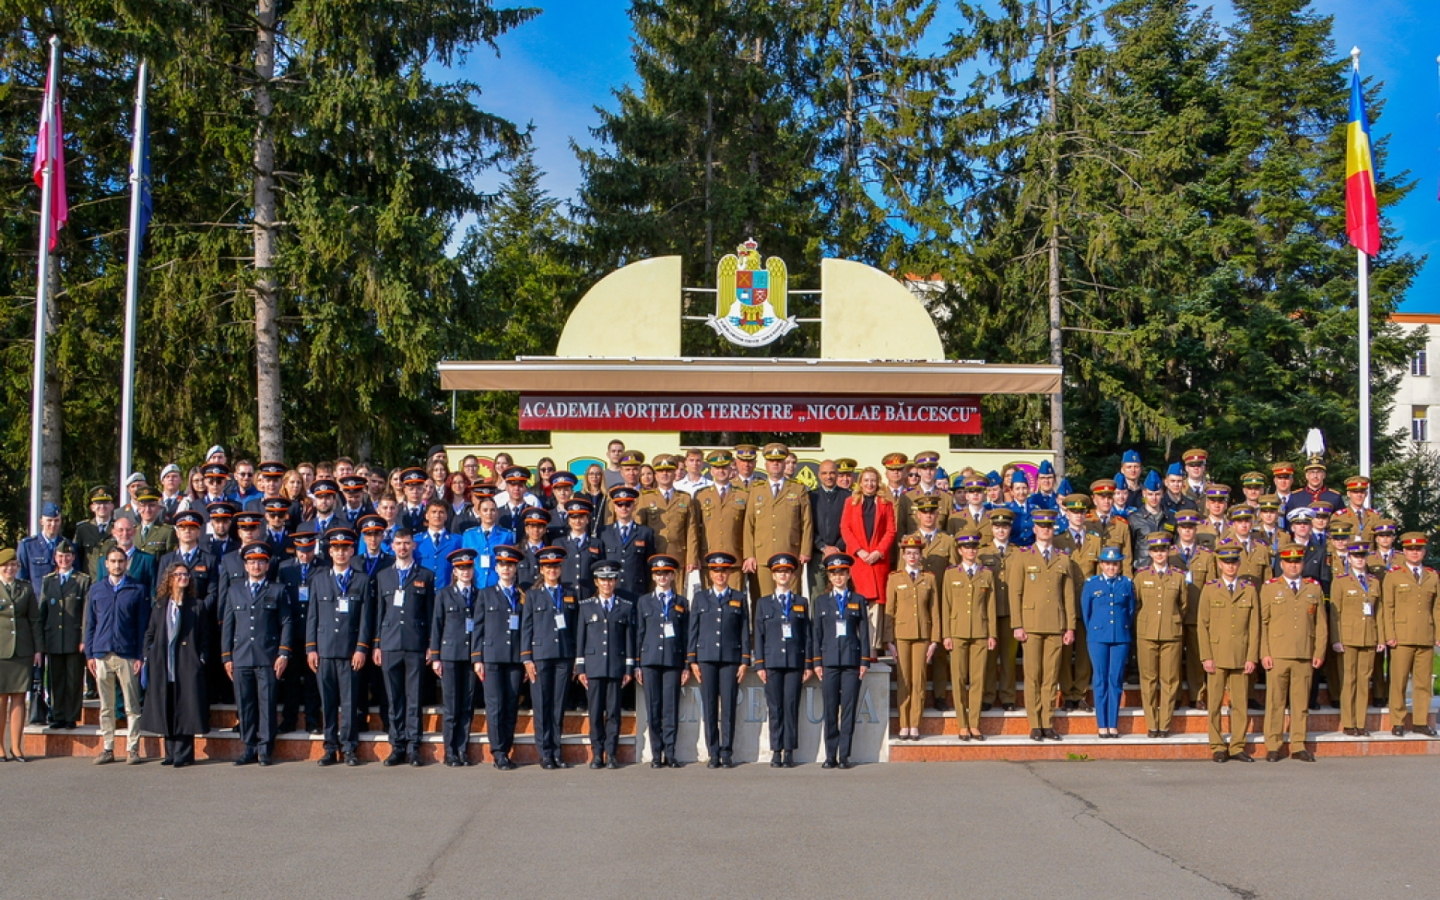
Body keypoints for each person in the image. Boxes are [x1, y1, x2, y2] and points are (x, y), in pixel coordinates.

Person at [305, 528, 374, 767]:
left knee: (350, 702)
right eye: (336, 549)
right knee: (328, 703)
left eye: (345, 549)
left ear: (352, 551)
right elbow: (312, 616)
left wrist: (361, 648)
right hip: (324, 651)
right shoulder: (319, 580)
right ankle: (330, 747)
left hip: (350, 652)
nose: (341, 553)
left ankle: (349, 748)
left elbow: (366, 618)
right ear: (330, 552)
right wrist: (311, 648)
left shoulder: (362, 580)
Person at [222, 544, 293, 766]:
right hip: (241, 656)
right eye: (252, 562)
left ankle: (265, 748)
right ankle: (248, 747)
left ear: (267, 565)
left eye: (261, 562)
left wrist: (283, 653)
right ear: (245, 565)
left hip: (267, 657)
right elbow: (228, 625)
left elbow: (286, 622)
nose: (256, 566)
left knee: (267, 704)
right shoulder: (234, 591)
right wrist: (226, 657)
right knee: (245, 704)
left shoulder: (277, 590)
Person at [1010, 508, 1076, 741]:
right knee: (1033, 676)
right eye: (1042, 526)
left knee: (1051, 676)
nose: (1046, 530)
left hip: (1055, 624)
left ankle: (1048, 722)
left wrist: (1070, 626)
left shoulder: (1063, 558)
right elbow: (1015, 592)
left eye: (1049, 526)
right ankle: (1035, 723)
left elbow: (1068, 595)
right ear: (1035, 529)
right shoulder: (1023, 556)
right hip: (1031, 624)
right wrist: (1017, 624)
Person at [1260, 544, 1328, 762]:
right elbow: (1263, 623)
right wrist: (1264, 652)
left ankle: (1298, 744)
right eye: (1289, 562)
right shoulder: (1270, 588)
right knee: (1275, 702)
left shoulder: (1313, 588)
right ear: (1281, 564)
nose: (1293, 566)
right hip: (1278, 653)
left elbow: (1321, 624)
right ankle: (1273, 745)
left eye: (1297, 561)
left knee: (1300, 704)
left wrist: (1319, 651)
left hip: (1304, 653)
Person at [373, 528, 434, 767]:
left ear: (414, 546)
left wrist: (431, 645)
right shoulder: (383, 576)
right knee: (394, 697)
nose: (403, 547)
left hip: (415, 643)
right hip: (389, 644)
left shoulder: (425, 576)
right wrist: (377, 644)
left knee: (413, 697)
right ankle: (397, 745)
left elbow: (430, 614)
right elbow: (379, 613)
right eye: (398, 543)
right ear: (392, 546)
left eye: (407, 543)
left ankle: (413, 746)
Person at [85, 545, 151, 765]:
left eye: (120, 561)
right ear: (106, 564)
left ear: (126, 563)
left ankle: (133, 749)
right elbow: (90, 624)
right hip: (102, 653)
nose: (117, 565)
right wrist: (90, 654)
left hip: (127, 654)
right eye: (113, 561)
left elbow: (142, 626)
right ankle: (108, 748)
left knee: (132, 705)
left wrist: (140, 655)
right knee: (106, 706)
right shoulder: (96, 590)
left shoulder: (137, 589)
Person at [1196, 543, 1261, 763]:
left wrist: (1252, 657)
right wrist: (1206, 656)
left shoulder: (1249, 589)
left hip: (1241, 655)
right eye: (1226, 562)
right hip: (1216, 654)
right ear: (1219, 564)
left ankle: (1237, 746)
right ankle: (1217, 746)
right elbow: (1202, 625)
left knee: (1240, 704)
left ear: (1239, 564)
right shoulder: (1210, 589)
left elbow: (1254, 626)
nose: (1230, 566)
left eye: (1234, 562)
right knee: (1214, 704)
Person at [140, 563, 209, 767]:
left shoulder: (197, 605)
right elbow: (150, 633)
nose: (183, 578)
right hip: (163, 665)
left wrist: (201, 658)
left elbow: (206, 636)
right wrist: (149, 654)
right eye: (178, 574)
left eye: (186, 574)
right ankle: (170, 753)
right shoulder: (160, 605)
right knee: (167, 706)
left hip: (187, 665)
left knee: (186, 708)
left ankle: (183, 754)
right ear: (169, 578)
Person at [687, 551, 750, 769]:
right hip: (706, 659)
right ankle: (713, 752)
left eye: (724, 571)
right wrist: (692, 660)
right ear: (710, 574)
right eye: (716, 571)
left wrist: (745, 660)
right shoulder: (700, 598)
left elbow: (744, 630)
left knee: (729, 706)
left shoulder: (739, 598)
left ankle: (727, 752)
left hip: (731, 658)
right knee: (710, 706)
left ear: (730, 573)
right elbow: (693, 630)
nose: (720, 574)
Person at [812, 553, 871, 768]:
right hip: (829, 661)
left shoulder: (857, 600)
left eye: (842, 573)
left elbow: (864, 633)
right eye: (834, 574)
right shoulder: (821, 601)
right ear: (829, 577)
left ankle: (844, 755)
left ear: (848, 575)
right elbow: (816, 633)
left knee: (848, 708)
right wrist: (817, 661)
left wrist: (864, 661)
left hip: (851, 661)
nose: (838, 577)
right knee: (830, 709)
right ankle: (830, 755)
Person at [521, 546, 578, 770]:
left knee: (558, 706)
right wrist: (527, 658)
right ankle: (545, 753)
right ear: (542, 570)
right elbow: (526, 628)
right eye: (547, 567)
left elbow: (575, 628)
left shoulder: (570, 593)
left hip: (564, 655)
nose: (552, 570)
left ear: (560, 569)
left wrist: (577, 658)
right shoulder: (533, 595)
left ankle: (556, 751)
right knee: (542, 705)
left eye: (555, 566)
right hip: (541, 656)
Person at [576, 560, 636, 769]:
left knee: (613, 712)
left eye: (610, 580)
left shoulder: (625, 607)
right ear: (596, 582)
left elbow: (629, 640)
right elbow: (581, 639)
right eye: (603, 580)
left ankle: (611, 753)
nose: (607, 584)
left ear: (616, 581)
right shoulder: (586, 607)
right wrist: (580, 668)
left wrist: (629, 668)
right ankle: (596, 754)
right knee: (595, 713)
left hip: (616, 667)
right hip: (593, 667)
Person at [753, 552, 811, 767]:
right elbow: (758, 635)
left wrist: (808, 664)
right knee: (775, 707)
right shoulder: (763, 603)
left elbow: (807, 636)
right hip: (772, 662)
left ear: (793, 575)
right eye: (779, 572)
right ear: (773, 576)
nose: (783, 575)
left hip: (795, 662)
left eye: (786, 571)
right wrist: (760, 663)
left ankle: (789, 751)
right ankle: (776, 750)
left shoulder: (801, 602)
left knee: (791, 706)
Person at [471, 545, 526, 770]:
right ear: (496, 568)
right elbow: (478, 627)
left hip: (515, 658)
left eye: (510, 565)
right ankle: (498, 752)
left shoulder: (522, 595)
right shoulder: (485, 594)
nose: (506, 569)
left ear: (516, 568)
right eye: (502, 565)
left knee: (511, 705)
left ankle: (507, 746)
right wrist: (477, 658)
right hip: (492, 657)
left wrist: (526, 658)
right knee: (494, 706)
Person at [940, 529, 996, 741]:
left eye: (973, 547)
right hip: (957, 632)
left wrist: (992, 634)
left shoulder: (986, 574)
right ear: (960, 550)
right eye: (966, 547)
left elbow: (990, 606)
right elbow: (946, 605)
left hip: (980, 632)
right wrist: (946, 634)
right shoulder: (950, 574)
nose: (970, 551)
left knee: (978, 680)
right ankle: (962, 724)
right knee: (959, 679)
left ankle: (974, 723)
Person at [1382, 532, 1439, 737]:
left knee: (1423, 682)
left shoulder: (1432, 576)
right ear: (1404, 552)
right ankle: (1397, 721)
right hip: (1401, 636)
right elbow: (1388, 607)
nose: (1415, 553)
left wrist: (1438, 633)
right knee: (1399, 681)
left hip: (1425, 634)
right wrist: (1390, 634)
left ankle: (1420, 721)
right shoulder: (1394, 575)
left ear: (1424, 552)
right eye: (1410, 549)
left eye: (1418, 549)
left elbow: (1437, 608)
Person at [636, 554, 690, 768]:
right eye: (658, 574)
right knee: (653, 707)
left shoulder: (681, 602)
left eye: (666, 573)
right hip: (650, 660)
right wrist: (638, 664)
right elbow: (639, 633)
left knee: (670, 708)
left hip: (673, 661)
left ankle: (670, 752)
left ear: (673, 576)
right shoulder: (644, 601)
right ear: (653, 576)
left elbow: (686, 636)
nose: (662, 577)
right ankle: (656, 754)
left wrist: (686, 665)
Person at [1133, 531, 1187, 738]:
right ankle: (1151, 723)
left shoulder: (1178, 577)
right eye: (1155, 550)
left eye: (1163, 550)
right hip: (1147, 633)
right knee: (1148, 680)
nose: (1159, 554)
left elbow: (1183, 605)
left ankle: (1164, 724)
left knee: (1170, 680)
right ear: (1150, 552)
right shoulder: (1141, 576)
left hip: (1171, 633)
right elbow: (1137, 605)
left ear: (1168, 551)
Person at [885, 535, 939, 741]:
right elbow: (890, 610)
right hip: (901, 635)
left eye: (916, 553)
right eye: (908, 553)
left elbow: (934, 611)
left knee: (919, 680)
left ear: (921, 555)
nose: (912, 556)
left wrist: (934, 640)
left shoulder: (929, 578)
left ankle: (915, 723)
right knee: (904, 680)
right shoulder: (894, 578)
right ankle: (903, 723)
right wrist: (889, 641)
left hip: (922, 635)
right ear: (903, 555)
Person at [431, 547, 480, 767]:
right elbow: (437, 626)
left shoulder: (479, 595)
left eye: (468, 567)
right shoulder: (444, 594)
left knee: (466, 705)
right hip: (450, 655)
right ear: (455, 571)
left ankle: (462, 749)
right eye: (461, 568)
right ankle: (449, 751)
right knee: (451, 706)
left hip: (471, 656)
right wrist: (435, 656)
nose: (465, 571)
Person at [743, 443, 813, 598]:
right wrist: (749, 555)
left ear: (784, 464)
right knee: (762, 599)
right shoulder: (756, 489)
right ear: (766, 465)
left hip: (790, 552)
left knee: (791, 598)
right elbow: (749, 524)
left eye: (779, 461)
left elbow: (807, 522)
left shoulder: (797, 489)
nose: (775, 464)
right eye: (771, 461)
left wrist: (805, 550)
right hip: (762, 554)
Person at [839, 466, 896, 654]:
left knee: (876, 607)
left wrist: (879, 552)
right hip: (859, 561)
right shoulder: (851, 502)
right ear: (860, 483)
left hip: (877, 562)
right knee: (857, 602)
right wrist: (859, 551)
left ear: (878, 482)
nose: (870, 484)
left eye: (873, 480)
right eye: (866, 480)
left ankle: (872, 648)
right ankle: (856, 646)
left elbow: (890, 531)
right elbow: (845, 528)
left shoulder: (886, 504)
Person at [1329, 541, 1383, 737]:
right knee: (1348, 680)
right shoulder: (1341, 581)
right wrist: (1336, 639)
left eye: (1362, 556)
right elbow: (1335, 613)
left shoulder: (1374, 582)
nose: (1360, 560)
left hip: (1369, 637)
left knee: (1364, 681)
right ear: (1349, 559)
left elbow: (1379, 612)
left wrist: (1381, 638)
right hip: (1348, 638)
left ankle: (1361, 723)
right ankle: (1349, 723)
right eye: (1356, 556)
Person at [1081, 546, 1135, 739]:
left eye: (1115, 564)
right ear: (1101, 565)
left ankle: (1113, 723)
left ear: (1120, 565)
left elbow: (1130, 611)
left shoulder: (1126, 584)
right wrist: (1096, 630)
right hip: (1098, 637)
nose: (1111, 568)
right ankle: (1102, 724)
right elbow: (1086, 613)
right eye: (1108, 564)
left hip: (1120, 636)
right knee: (1100, 679)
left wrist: (1121, 628)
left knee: (1115, 679)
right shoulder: (1092, 584)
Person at [38, 539, 89, 730]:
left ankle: (71, 716)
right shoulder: (48, 580)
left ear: (73, 557)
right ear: (55, 558)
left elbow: (86, 613)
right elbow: (43, 611)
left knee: (74, 679)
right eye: (60, 556)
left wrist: (84, 639)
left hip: (74, 637)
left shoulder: (82, 580)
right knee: (55, 679)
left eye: (67, 556)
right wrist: (41, 640)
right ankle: (57, 714)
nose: (64, 559)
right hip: (53, 637)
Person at [277, 532, 323, 734]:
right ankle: (289, 720)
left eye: (309, 551)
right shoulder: (285, 568)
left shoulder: (323, 568)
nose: (305, 555)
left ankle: (312, 721)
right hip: (292, 630)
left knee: (313, 679)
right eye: (302, 551)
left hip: (315, 631)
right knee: (291, 680)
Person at [0, 549, 41, 761]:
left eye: (13, 565)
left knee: (19, 697)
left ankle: (16, 747)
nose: (10, 569)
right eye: (5, 565)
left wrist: (37, 649)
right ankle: (0, 747)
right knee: (1, 699)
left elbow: (34, 620)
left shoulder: (25, 588)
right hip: (1, 650)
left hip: (23, 649)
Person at [979, 509, 1020, 711]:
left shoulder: (1019, 553)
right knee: (988, 657)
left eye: (1004, 527)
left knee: (1008, 658)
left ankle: (1007, 696)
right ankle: (987, 696)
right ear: (992, 528)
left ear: (1010, 528)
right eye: (997, 527)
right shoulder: (982, 553)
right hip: (989, 613)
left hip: (1012, 612)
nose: (1001, 530)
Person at [637, 454, 700, 575]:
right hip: (653, 554)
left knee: (677, 587)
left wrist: (691, 557)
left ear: (675, 473)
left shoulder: (685, 498)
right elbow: (640, 529)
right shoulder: (645, 498)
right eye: (661, 471)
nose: (665, 474)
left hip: (678, 555)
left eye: (669, 471)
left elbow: (691, 530)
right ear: (656, 475)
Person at [692, 451, 746, 592]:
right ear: (711, 471)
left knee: (735, 600)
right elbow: (694, 528)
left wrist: (748, 556)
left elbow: (748, 529)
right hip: (708, 556)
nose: (721, 471)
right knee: (709, 600)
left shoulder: (743, 495)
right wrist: (695, 556)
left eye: (724, 467)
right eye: (717, 468)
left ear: (730, 469)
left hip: (735, 557)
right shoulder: (701, 495)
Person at [599, 486, 655, 598]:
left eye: (628, 504)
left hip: (636, 589)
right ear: (614, 507)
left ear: (634, 506)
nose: (624, 508)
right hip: (612, 590)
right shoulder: (604, 532)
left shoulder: (645, 532)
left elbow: (649, 565)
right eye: (620, 505)